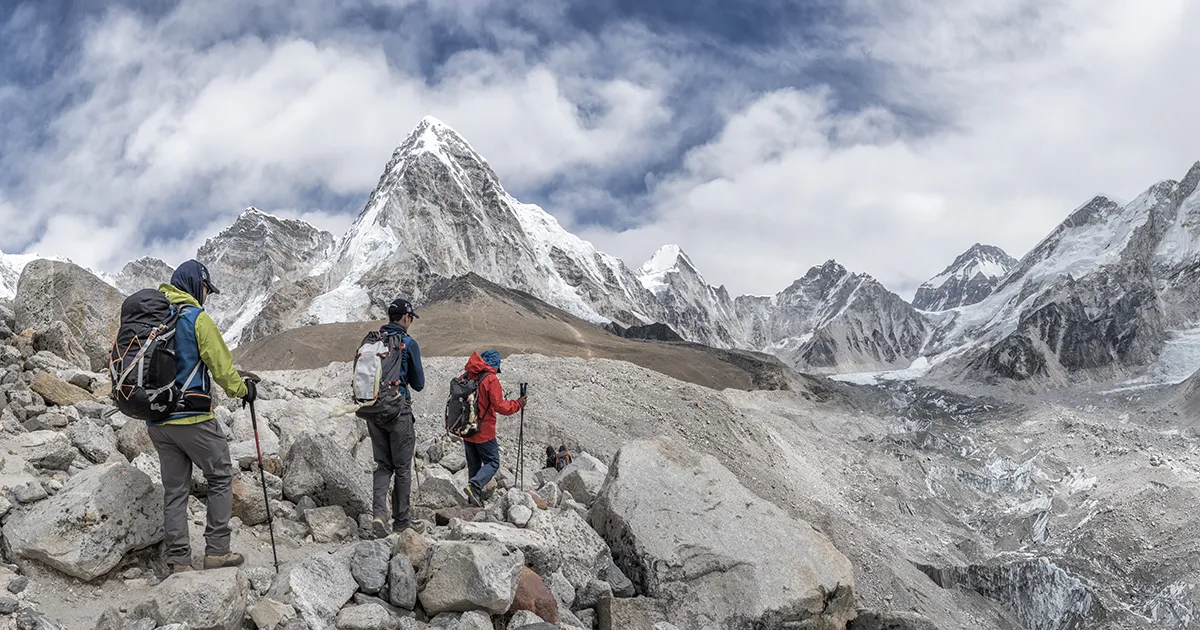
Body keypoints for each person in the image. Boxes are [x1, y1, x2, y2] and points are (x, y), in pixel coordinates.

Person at [148, 260, 256, 573]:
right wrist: (243, 390)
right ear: (197, 285)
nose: (207, 295)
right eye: (207, 288)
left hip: (157, 422)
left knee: (175, 491)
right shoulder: (197, 318)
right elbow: (222, 369)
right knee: (220, 476)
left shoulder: (154, 319)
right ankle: (217, 551)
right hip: (193, 418)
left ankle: (179, 561)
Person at [366, 298, 425, 537]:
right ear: (406, 317)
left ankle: (379, 515)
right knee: (402, 467)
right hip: (399, 411)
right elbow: (419, 384)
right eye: (411, 318)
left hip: (373, 409)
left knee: (383, 465)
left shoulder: (373, 341)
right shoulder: (408, 343)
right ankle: (401, 522)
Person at [461, 349, 526, 507]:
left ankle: (473, 498)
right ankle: (474, 486)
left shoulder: (466, 376)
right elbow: (500, 406)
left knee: (474, 465)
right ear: (494, 365)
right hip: (484, 431)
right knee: (493, 462)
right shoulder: (490, 379)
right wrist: (518, 404)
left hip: (466, 429)